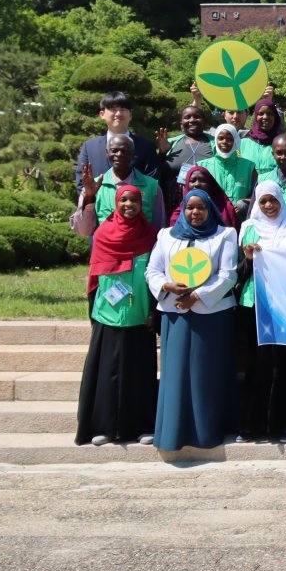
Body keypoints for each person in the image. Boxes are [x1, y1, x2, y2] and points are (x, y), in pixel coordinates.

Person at [145, 188, 239, 451]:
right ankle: (173, 433)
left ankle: (205, 433)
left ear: (210, 210)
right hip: (175, 315)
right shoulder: (166, 236)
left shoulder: (225, 235)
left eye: (201, 208)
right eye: (190, 208)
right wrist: (167, 285)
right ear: (183, 210)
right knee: (175, 374)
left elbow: (228, 275)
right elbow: (152, 269)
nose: (195, 212)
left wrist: (196, 296)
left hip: (211, 315)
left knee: (204, 375)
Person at [75, 184, 159, 447]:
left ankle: (140, 427)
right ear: (116, 202)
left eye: (134, 200)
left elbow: (156, 276)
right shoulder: (102, 234)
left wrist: (153, 312)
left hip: (139, 316)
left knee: (139, 374)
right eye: (124, 200)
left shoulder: (151, 236)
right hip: (108, 315)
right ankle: (105, 427)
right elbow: (93, 279)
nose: (129, 205)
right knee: (107, 373)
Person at [235, 181, 286, 443]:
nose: (268, 206)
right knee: (255, 366)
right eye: (263, 201)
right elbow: (237, 273)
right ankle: (251, 425)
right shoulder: (248, 228)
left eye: (273, 200)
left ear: (281, 199)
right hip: (253, 305)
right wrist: (248, 259)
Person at [73, 134, 166, 238]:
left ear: (133, 154)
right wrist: (90, 197)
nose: (119, 154)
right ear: (107, 153)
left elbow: (160, 229)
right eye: (114, 150)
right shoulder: (93, 187)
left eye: (125, 151)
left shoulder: (152, 187)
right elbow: (83, 231)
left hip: (142, 252)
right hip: (106, 251)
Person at [75, 91, 160, 192]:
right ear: (102, 114)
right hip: (99, 206)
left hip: (135, 206)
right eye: (113, 109)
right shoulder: (90, 147)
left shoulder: (146, 146)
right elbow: (81, 183)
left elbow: (151, 182)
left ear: (131, 115)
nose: (118, 114)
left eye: (123, 109)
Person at [156, 105, 214, 216]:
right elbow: (159, 173)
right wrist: (162, 154)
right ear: (181, 123)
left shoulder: (214, 143)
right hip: (174, 200)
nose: (192, 120)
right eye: (187, 117)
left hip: (205, 199)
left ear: (204, 120)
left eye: (196, 117)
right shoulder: (171, 142)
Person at [198, 124, 256, 221]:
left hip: (240, 221)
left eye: (229, 139)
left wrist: (244, 203)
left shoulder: (249, 166)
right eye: (220, 138)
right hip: (211, 220)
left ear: (235, 141)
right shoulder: (202, 166)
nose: (224, 142)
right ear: (216, 140)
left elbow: (257, 193)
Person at [168, 166, 240, 230]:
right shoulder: (177, 215)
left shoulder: (226, 209)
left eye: (202, 180)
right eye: (192, 181)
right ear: (187, 184)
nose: (197, 184)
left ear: (210, 184)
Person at [240, 98, 286, 175]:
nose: (265, 117)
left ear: (275, 117)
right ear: (256, 116)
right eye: (261, 113)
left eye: (269, 114)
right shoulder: (242, 144)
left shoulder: (281, 143)